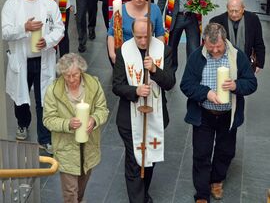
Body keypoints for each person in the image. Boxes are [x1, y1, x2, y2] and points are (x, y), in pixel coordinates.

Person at [180, 23, 257, 203]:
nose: (215, 51)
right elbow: (186, 84)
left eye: (218, 47)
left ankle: (216, 180)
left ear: (225, 41)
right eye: (210, 46)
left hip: (228, 115)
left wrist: (236, 85)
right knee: (201, 153)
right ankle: (201, 194)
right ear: (204, 41)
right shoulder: (196, 57)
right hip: (204, 114)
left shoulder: (237, 56)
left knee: (226, 151)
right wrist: (206, 93)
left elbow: (251, 83)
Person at [1, 0, 64, 153]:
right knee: (21, 97)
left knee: (44, 100)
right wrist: (24, 28)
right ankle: (22, 123)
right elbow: (5, 32)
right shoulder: (11, 5)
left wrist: (49, 41)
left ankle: (45, 139)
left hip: (43, 59)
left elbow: (59, 28)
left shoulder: (48, 4)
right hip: (21, 61)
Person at [113, 18, 175, 203]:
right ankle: (138, 199)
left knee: (149, 158)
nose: (141, 41)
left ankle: (143, 194)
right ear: (132, 34)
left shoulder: (164, 50)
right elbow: (117, 86)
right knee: (134, 161)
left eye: (145, 37)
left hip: (155, 115)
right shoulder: (123, 51)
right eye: (138, 37)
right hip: (128, 118)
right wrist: (135, 91)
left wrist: (155, 70)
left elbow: (170, 83)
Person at [43, 53, 109, 203]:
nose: (71, 79)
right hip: (66, 147)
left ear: (82, 71)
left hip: (89, 145)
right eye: (67, 76)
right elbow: (48, 119)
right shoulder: (53, 91)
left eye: (75, 75)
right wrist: (67, 124)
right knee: (70, 191)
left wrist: (94, 119)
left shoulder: (93, 85)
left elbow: (103, 110)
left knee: (81, 187)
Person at [108, 0, 164, 64]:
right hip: (125, 52)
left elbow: (160, 34)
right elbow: (111, 34)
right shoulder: (121, 10)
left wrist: (159, 54)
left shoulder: (155, 9)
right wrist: (112, 54)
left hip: (147, 51)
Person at [210, 0, 265, 73]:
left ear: (243, 9)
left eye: (237, 11)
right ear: (227, 8)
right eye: (231, 11)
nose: (234, 14)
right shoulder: (216, 22)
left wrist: (259, 63)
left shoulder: (253, 20)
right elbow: (211, 47)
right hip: (223, 66)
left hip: (246, 64)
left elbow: (258, 42)